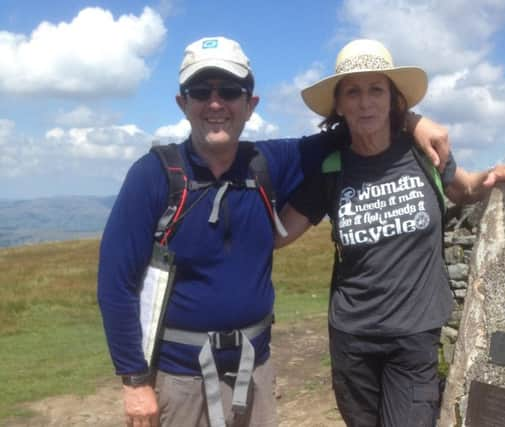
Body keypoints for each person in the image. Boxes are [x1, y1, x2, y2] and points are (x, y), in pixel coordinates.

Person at [97, 36, 452, 427]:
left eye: (230, 91)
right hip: (179, 379)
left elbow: (356, 124)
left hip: (256, 373)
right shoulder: (152, 176)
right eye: (201, 91)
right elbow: (116, 284)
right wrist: (134, 381)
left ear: (250, 105)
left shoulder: (268, 162)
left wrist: (414, 121)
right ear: (183, 103)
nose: (216, 104)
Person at [274, 39, 505, 427]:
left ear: (392, 99)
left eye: (376, 89)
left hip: (414, 334)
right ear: (339, 104)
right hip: (352, 338)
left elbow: (464, 190)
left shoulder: (422, 154)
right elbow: (280, 232)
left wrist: (493, 177)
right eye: (353, 91)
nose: (365, 102)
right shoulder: (332, 168)